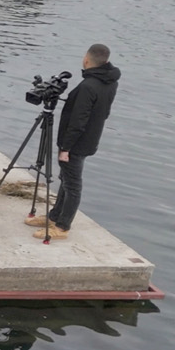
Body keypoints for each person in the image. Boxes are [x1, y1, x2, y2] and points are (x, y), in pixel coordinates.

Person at [30, 44, 119, 241]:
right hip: (90, 139)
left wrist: (66, 148)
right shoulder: (109, 82)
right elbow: (103, 112)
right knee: (67, 178)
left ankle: (62, 227)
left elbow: (78, 120)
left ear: (87, 60)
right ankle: (54, 216)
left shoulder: (88, 86)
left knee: (72, 185)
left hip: (76, 143)